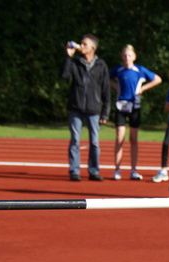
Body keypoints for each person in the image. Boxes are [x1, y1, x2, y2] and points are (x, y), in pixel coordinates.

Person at [59, 34, 110, 181]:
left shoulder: (101, 65)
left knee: (94, 142)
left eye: (85, 44)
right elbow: (64, 75)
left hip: (94, 109)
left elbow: (106, 89)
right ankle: (74, 171)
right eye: (81, 43)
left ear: (93, 47)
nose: (82, 45)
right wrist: (68, 57)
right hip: (76, 107)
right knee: (75, 140)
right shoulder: (75, 63)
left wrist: (105, 112)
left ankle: (94, 171)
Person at [109, 44, 162, 180]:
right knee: (120, 138)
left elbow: (157, 79)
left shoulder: (140, 70)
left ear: (134, 57)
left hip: (135, 107)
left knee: (133, 139)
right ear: (122, 57)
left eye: (129, 55)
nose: (127, 58)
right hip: (121, 106)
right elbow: (104, 78)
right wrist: (115, 86)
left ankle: (133, 169)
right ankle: (117, 169)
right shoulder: (118, 70)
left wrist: (143, 89)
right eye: (125, 56)